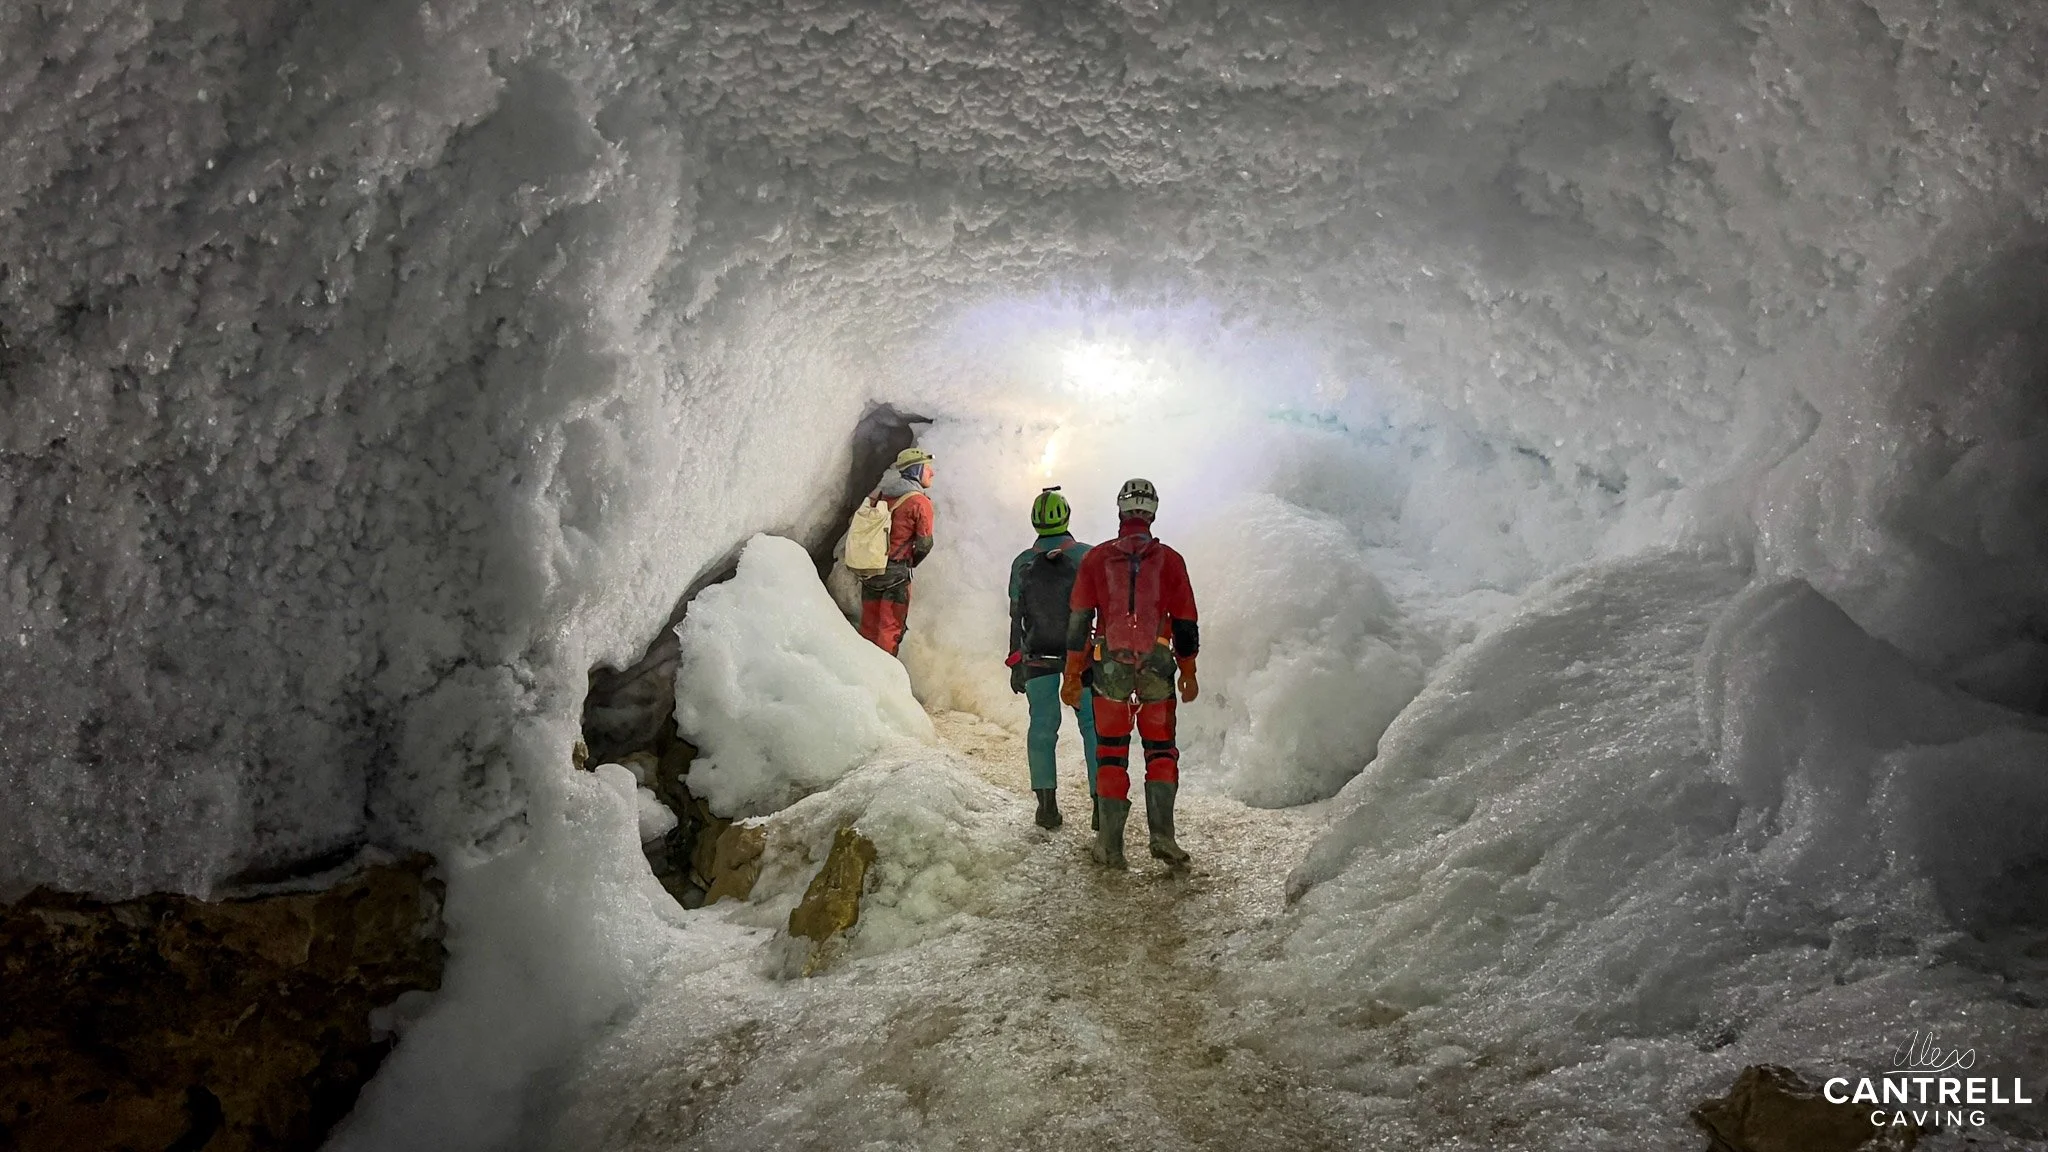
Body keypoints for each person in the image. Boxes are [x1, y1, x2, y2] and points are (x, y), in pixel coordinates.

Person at [1061, 478, 1200, 868]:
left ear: (1120, 511)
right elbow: (1186, 622)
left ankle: (1110, 845)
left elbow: (1078, 623)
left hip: (1110, 667)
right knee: (1161, 752)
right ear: (1152, 513)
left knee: (1110, 753)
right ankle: (1163, 838)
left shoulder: (1097, 559)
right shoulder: (1171, 560)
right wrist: (1187, 672)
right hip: (1157, 666)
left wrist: (1072, 675)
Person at [1007, 487, 1102, 831]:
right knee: (1092, 727)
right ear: (1067, 516)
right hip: (1083, 656)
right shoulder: (1087, 556)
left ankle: (1046, 808)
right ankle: (1099, 806)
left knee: (1043, 727)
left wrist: (1016, 660)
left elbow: (1016, 615)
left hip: (1037, 655)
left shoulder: (1022, 562)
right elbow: (1103, 610)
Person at [857, 447, 936, 655]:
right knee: (890, 629)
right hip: (897, 574)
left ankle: (862, 671)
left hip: (871, 568)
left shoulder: (881, 494)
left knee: (868, 626)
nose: (932, 473)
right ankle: (883, 677)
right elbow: (925, 544)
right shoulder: (919, 502)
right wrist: (909, 563)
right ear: (916, 470)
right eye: (928, 468)